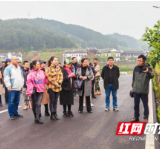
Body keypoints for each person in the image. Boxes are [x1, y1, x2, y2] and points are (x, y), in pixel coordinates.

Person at [131, 55, 154, 123]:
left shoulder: (148, 68)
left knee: (145, 105)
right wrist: (133, 87)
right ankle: (136, 117)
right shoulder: (136, 68)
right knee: (136, 105)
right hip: (136, 90)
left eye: (140, 61)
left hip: (144, 90)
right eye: (138, 60)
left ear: (144, 61)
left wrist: (148, 72)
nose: (139, 62)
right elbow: (134, 78)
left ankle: (146, 117)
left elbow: (152, 76)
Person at [46, 56, 63, 121]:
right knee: (52, 101)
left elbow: (61, 76)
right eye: (55, 60)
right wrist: (56, 83)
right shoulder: (48, 69)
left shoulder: (58, 68)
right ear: (51, 61)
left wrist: (59, 83)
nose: (56, 61)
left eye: (57, 60)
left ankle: (55, 113)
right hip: (51, 87)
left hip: (58, 87)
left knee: (56, 101)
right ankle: (52, 114)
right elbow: (49, 78)